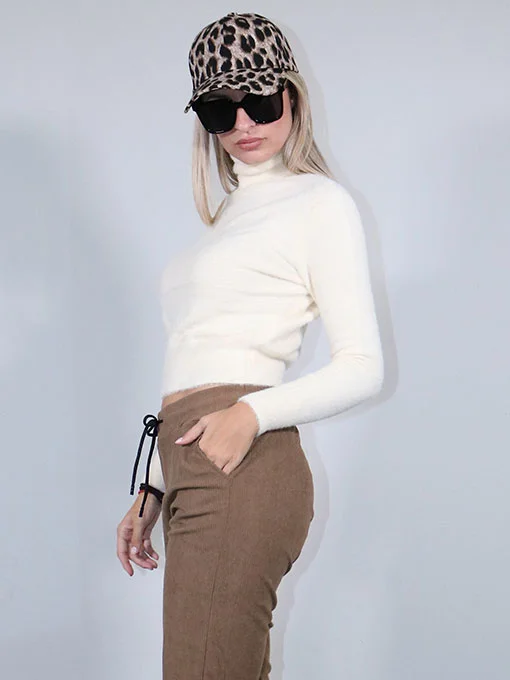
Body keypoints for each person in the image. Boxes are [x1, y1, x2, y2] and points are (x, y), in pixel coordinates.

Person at [116, 11, 384, 680]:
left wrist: (250, 414)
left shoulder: (319, 202)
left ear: (292, 97)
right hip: (189, 462)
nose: (243, 123)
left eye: (259, 100)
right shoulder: (226, 219)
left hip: (246, 459)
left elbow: (363, 367)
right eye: (219, 109)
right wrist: (154, 486)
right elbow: (196, 357)